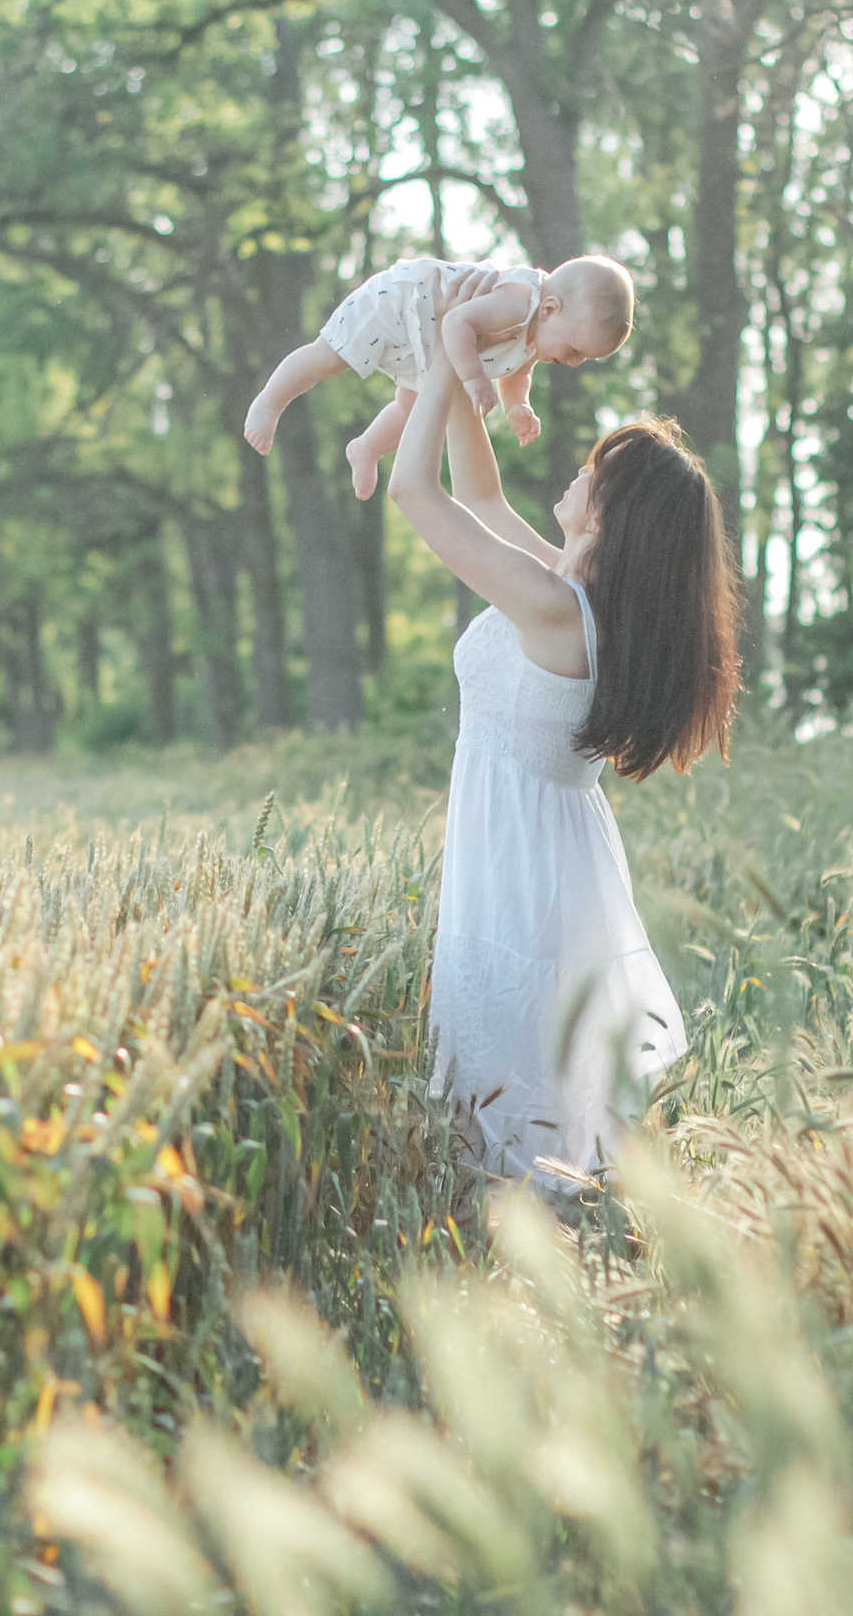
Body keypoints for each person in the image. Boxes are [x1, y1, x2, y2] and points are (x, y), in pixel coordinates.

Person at [381, 276, 738, 1198]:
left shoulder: (553, 611)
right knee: (516, 1111)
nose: (576, 474)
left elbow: (414, 490)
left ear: (610, 516)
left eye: (593, 472)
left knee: (506, 1121)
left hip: (522, 877)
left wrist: (440, 350)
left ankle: (536, 1255)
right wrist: (470, 354)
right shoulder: (571, 598)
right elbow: (478, 492)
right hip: (535, 859)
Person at [241, 255, 635, 500]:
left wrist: (518, 406)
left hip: (424, 341)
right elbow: (457, 322)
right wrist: (475, 379)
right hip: (399, 305)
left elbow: (517, 374)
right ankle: (270, 401)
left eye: (584, 358)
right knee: (329, 356)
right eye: (575, 350)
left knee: (413, 408)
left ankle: (367, 448)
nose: (574, 362)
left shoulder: (535, 339)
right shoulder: (519, 302)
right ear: (550, 309)